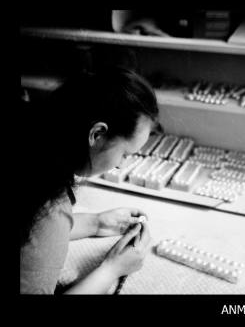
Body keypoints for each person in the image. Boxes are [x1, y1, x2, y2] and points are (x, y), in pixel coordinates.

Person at [20, 67, 161, 294]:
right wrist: (111, 269)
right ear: (97, 134)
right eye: (125, 154)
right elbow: (42, 223)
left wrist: (95, 223)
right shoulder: (50, 206)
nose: (121, 165)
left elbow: (30, 232)